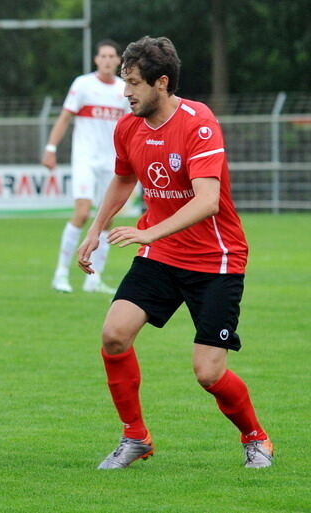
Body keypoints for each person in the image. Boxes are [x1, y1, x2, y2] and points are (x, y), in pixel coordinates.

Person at [77, 36, 273, 469]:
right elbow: (123, 180)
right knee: (113, 335)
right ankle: (135, 437)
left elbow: (207, 200)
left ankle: (255, 437)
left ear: (161, 83)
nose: (125, 92)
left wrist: (149, 233)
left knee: (208, 373)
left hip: (216, 260)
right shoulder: (128, 126)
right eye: (124, 82)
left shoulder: (199, 123)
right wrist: (94, 231)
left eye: (132, 83)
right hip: (162, 254)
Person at [43, 40, 130, 294]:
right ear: (96, 60)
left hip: (111, 162)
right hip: (85, 159)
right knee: (82, 212)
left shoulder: (124, 90)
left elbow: (130, 128)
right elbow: (65, 117)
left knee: (107, 219)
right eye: (102, 56)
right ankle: (60, 273)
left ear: (118, 61)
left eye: (111, 56)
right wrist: (50, 148)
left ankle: (94, 278)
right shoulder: (83, 84)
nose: (106, 60)